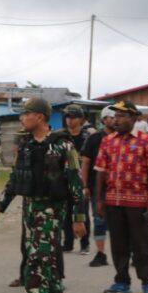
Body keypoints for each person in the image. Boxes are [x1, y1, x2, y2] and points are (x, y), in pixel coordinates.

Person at [0, 97, 86, 293]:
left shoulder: (64, 146)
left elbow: (76, 184)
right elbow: (15, 179)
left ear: (39, 117)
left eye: (26, 114)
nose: (22, 118)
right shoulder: (28, 145)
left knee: (37, 263)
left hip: (51, 213)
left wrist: (78, 218)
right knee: (47, 263)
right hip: (30, 211)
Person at [95, 100, 148, 293]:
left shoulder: (147, 141)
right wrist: (99, 200)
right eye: (115, 116)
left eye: (122, 116)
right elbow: (100, 172)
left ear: (134, 118)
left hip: (139, 202)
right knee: (118, 244)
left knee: (141, 245)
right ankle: (121, 281)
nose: (117, 120)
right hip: (113, 202)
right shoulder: (108, 141)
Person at [80, 106, 116, 267]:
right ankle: (101, 254)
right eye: (111, 116)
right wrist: (85, 185)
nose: (114, 119)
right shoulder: (94, 138)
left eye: (117, 116)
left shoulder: (123, 137)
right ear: (103, 120)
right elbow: (86, 163)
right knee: (99, 219)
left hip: (118, 187)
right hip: (98, 187)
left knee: (120, 220)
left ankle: (128, 254)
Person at [59, 104, 92, 254]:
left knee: (82, 211)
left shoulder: (87, 136)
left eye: (73, 117)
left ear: (81, 119)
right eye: (67, 117)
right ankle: (68, 243)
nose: (70, 120)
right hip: (64, 178)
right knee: (66, 212)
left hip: (81, 179)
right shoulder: (61, 136)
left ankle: (85, 244)